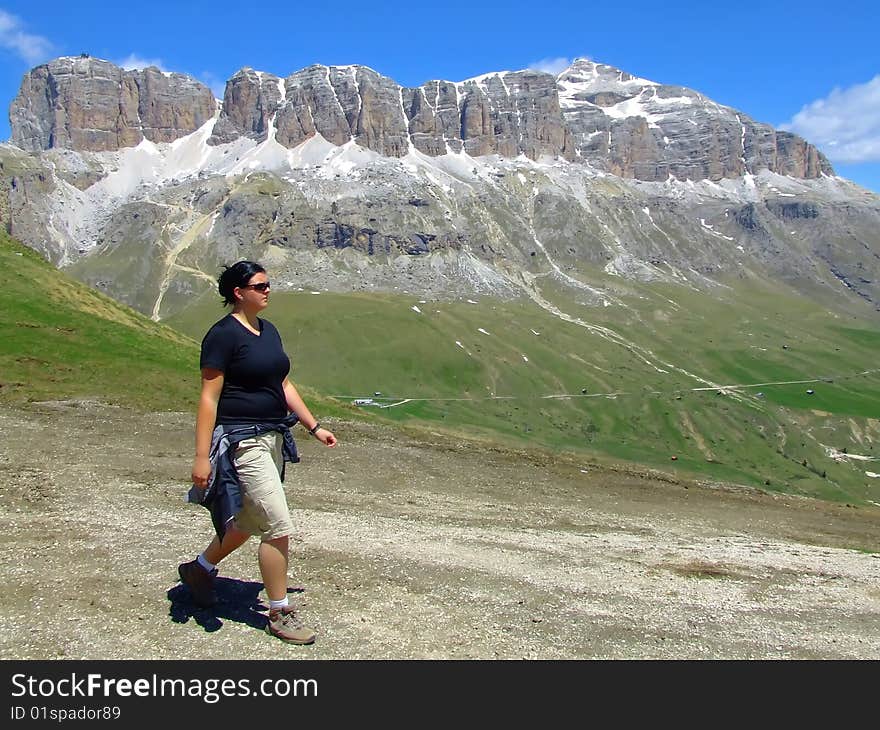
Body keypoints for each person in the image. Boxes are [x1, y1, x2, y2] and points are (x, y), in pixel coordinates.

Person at [178, 261, 337, 645]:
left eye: (268, 284)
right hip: (241, 440)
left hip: (273, 437)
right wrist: (202, 457)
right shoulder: (222, 336)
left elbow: (282, 382)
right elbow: (208, 397)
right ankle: (279, 611)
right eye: (260, 285)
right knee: (278, 524)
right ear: (239, 292)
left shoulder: (268, 331)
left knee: (249, 521)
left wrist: (314, 426)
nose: (268, 291)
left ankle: (199, 569)